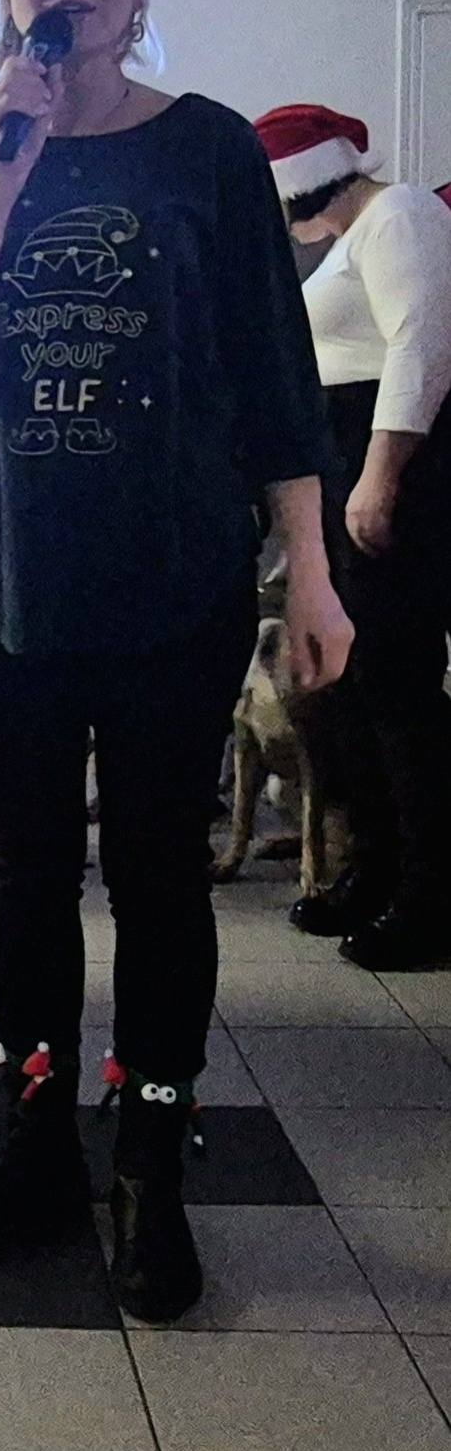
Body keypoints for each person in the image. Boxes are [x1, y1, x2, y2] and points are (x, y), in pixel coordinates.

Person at [0, 0, 351, 1323]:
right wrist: (3, 168)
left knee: (154, 877)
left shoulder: (206, 149)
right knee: (21, 875)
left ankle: (148, 1155)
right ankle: (33, 1141)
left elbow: (273, 378)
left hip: (170, 584)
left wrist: (312, 573)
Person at [254, 104, 451, 968]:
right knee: (349, 684)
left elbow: (420, 345)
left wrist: (379, 476)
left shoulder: (399, 212)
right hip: (337, 460)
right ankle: (373, 868)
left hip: (389, 463)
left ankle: (431, 896)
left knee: (396, 685)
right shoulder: (342, 238)